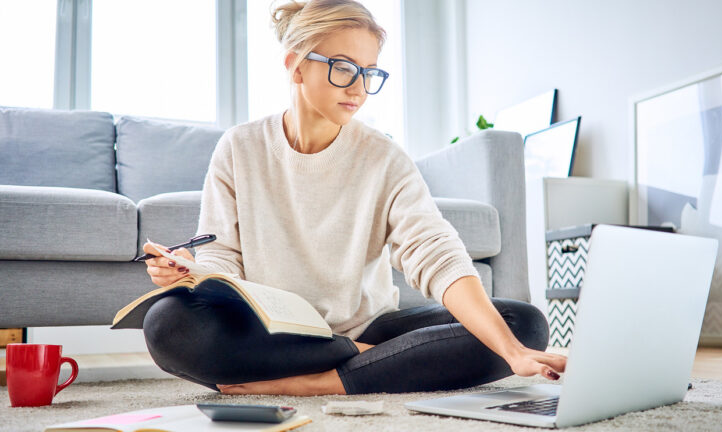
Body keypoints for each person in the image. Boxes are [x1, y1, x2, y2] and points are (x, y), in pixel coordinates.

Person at [141, 0, 566, 396]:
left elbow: (435, 251)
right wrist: (192, 272)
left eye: (369, 72)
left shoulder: (384, 157)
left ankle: (313, 382)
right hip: (271, 330)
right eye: (343, 68)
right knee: (168, 324)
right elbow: (222, 257)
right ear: (296, 66)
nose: (359, 88)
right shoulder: (240, 147)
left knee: (523, 326)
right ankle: (374, 368)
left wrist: (511, 350)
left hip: (370, 329)